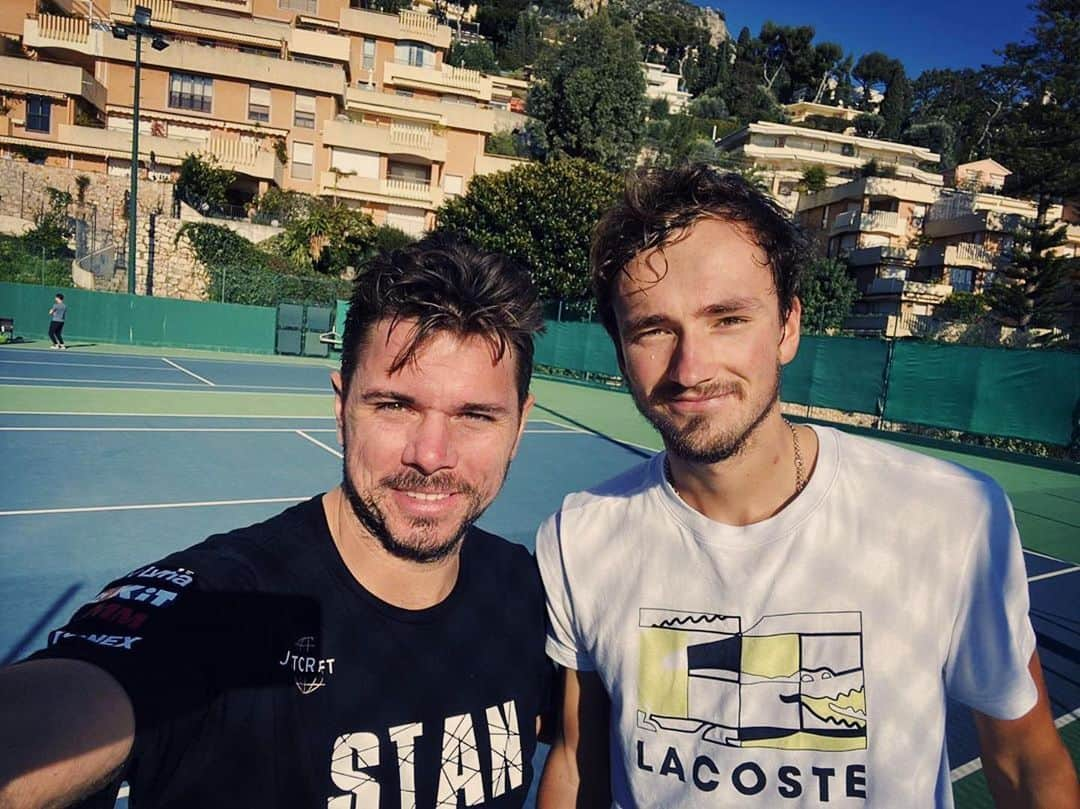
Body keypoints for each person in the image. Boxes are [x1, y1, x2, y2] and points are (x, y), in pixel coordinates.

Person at [536, 165, 1078, 808]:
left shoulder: (953, 516)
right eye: (653, 329)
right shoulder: (579, 534)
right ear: (621, 349)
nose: (691, 367)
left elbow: (1024, 762)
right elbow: (576, 761)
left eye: (727, 318)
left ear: (788, 327)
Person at [0, 235, 552, 809]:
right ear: (342, 408)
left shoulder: (526, 592)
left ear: (519, 425)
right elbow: (78, 697)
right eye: (394, 406)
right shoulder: (223, 605)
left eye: (476, 416)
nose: (431, 455)